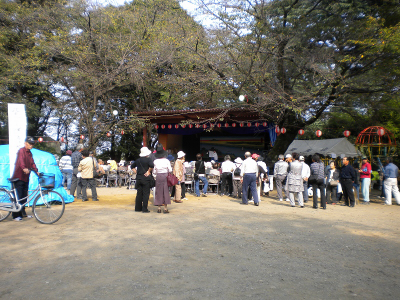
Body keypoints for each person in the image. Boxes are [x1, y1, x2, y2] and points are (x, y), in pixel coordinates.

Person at [11, 136, 39, 221]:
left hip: (26, 177)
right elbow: (21, 161)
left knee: (24, 196)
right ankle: (15, 215)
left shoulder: (30, 153)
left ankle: (23, 213)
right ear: (25, 143)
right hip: (18, 177)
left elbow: (32, 163)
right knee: (18, 197)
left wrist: (36, 171)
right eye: (30, 144)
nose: (31, 145)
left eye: (32, 144)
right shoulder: (21, 151)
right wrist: (24, 168)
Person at [131, 147, 154, 213]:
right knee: (146, 194)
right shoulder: (148, 159)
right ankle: (144, 209)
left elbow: (132, 166)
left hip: (139, 178)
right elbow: (152, 165)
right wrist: (148, 171)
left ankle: (138, 208)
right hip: (146, 179)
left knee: (139, 194)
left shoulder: (138, 160)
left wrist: (136, 171)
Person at [153, 144, 172, 213]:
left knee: (158, 191)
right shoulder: (166, 161)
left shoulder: (155, 161)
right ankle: (165, 208)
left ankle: (159, 208)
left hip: (158, 176)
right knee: (166, 191)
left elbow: (154, 171)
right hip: (165, 176)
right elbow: (170, 170)